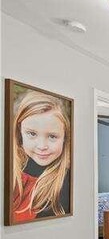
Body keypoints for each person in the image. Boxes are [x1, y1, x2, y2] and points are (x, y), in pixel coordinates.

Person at [12, 90, 71, 223]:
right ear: (19, 132)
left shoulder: (65, 182)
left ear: (65, 138)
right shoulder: (12, 171)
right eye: (32, 134)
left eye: (52, 136)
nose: (42, 146)